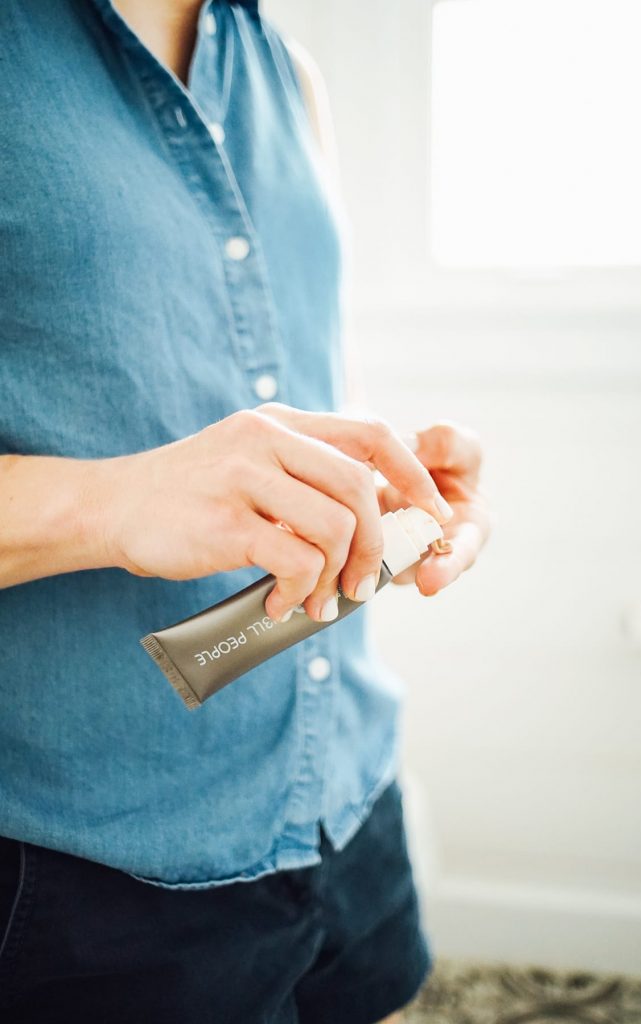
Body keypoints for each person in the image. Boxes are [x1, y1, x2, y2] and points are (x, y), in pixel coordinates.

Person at [0, 0, 490, 1021]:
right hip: (85, 868)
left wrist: (393, 495)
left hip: (342, 788)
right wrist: (113, 500)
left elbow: (279, 380)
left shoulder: (288, 74)